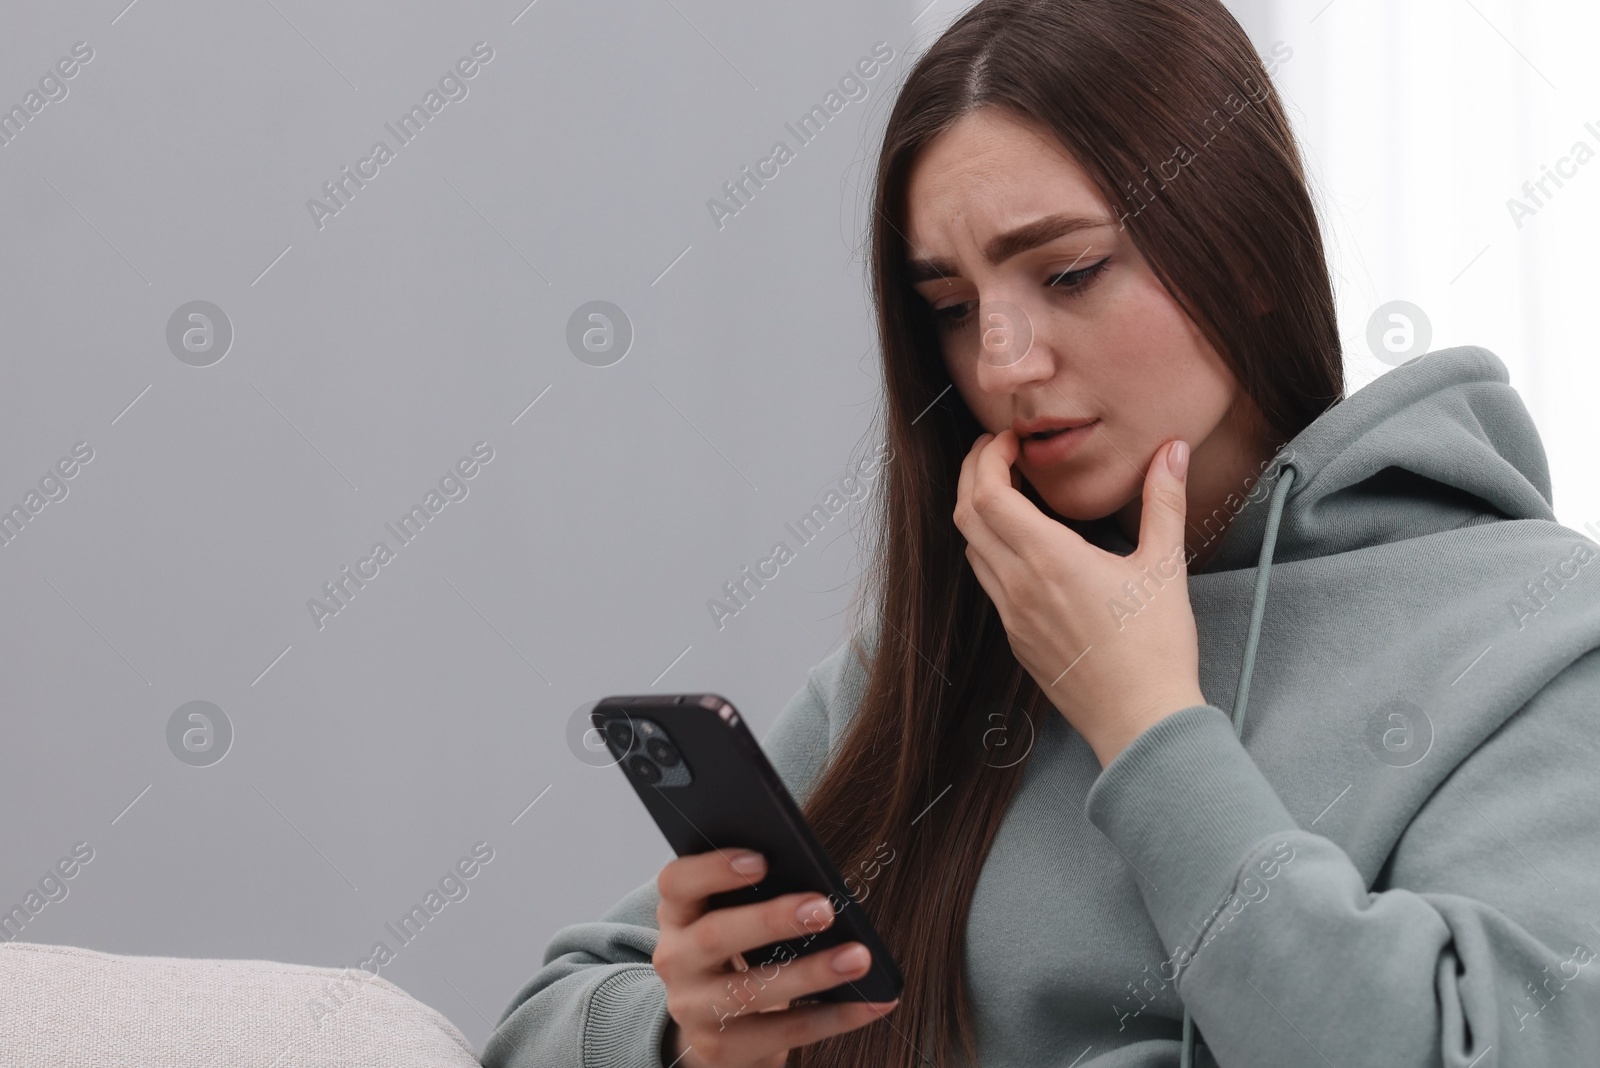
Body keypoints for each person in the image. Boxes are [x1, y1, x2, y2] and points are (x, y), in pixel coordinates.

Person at [482, 0, 1600, 1065]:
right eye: (952, 309)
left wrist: (1148, 720)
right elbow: (540, 1024)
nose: (1003, 361)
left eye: (1069, 273)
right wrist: (689, 1034)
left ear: (1248, 257)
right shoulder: (945, 654)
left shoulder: (1535, 635)